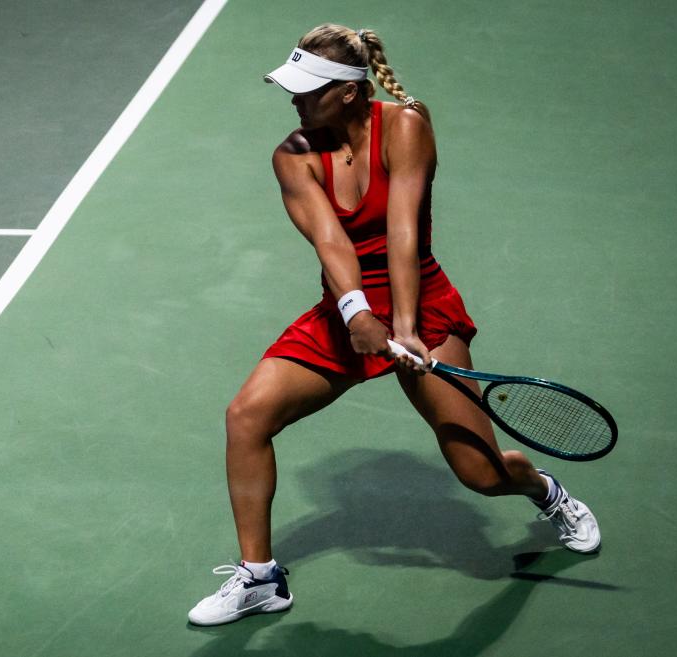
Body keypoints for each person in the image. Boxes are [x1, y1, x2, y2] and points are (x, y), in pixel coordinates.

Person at [187, 23, 600, 627]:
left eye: (309, 90)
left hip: (423, 306)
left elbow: (403, 231)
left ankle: (544, 491)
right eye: (293, 89)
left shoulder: (405, 126)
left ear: (350, 91)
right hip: (346, 306)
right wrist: (357, 314)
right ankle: (260, 578)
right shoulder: (292, 156)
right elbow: (332, 243)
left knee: (481, 474)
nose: (295, 101)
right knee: (246, 417)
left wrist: (404, 328)